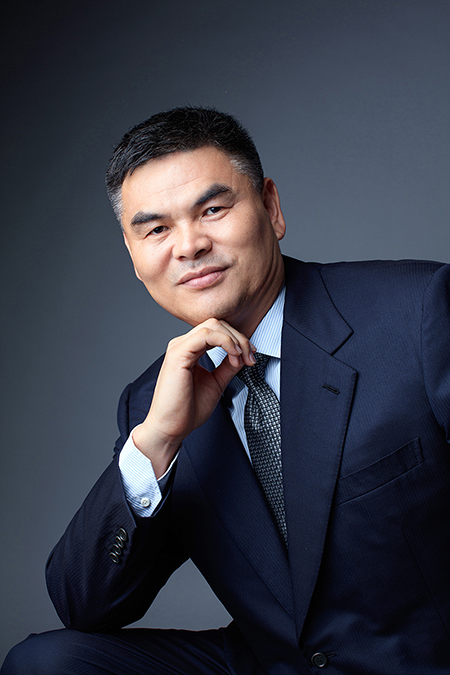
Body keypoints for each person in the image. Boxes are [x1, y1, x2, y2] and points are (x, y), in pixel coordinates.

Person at [2, 107, 450, 675]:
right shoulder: (153, 402)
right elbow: (84, 606)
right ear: (133, 255)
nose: (188, 246)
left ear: (271, 208)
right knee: (47, 663)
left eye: (212, 210)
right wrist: (156, 442)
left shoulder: (417, 311)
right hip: (272, 663)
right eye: (156, 230)